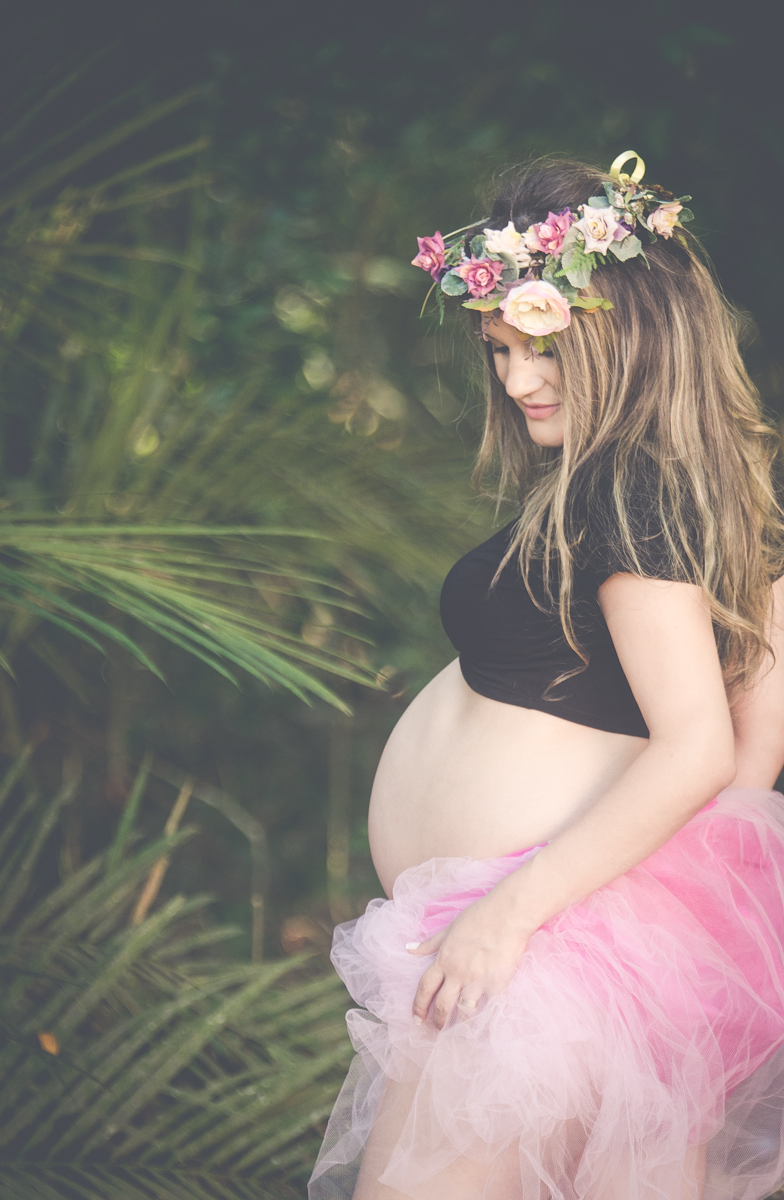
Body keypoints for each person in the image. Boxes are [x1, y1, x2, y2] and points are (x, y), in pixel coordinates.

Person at [308, 154, 784, 1200]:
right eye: (501, 350)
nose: (518, 381)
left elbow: (704, 752)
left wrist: (514, 914)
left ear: (634, 338)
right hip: (554, 945)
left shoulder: (633, 491)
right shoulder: (644, 493)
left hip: (545, 945)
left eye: (544, 348)